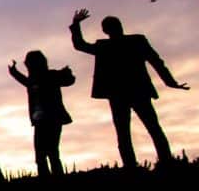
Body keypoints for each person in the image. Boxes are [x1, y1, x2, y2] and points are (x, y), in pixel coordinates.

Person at [69, 9, 189, 168]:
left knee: (128, 133)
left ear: (105, 30)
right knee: (150, 129)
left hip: (122, 94)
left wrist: (76, 24)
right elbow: (156, 62)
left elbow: (80, 45)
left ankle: (135, 166)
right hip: (133, 92)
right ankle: (163, 162)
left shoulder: (108, 45)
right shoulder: (135, 41)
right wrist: (170, 82)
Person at [8, 51, 75, 177]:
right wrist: (14, 72)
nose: (27, 66)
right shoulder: (35, 80)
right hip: (41, 120)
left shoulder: (50, 76)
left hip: (52, 119)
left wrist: (67, 74)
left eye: (28, 64)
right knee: (45, 155)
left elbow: (69, 80)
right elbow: (25, 81)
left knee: (49, 154)